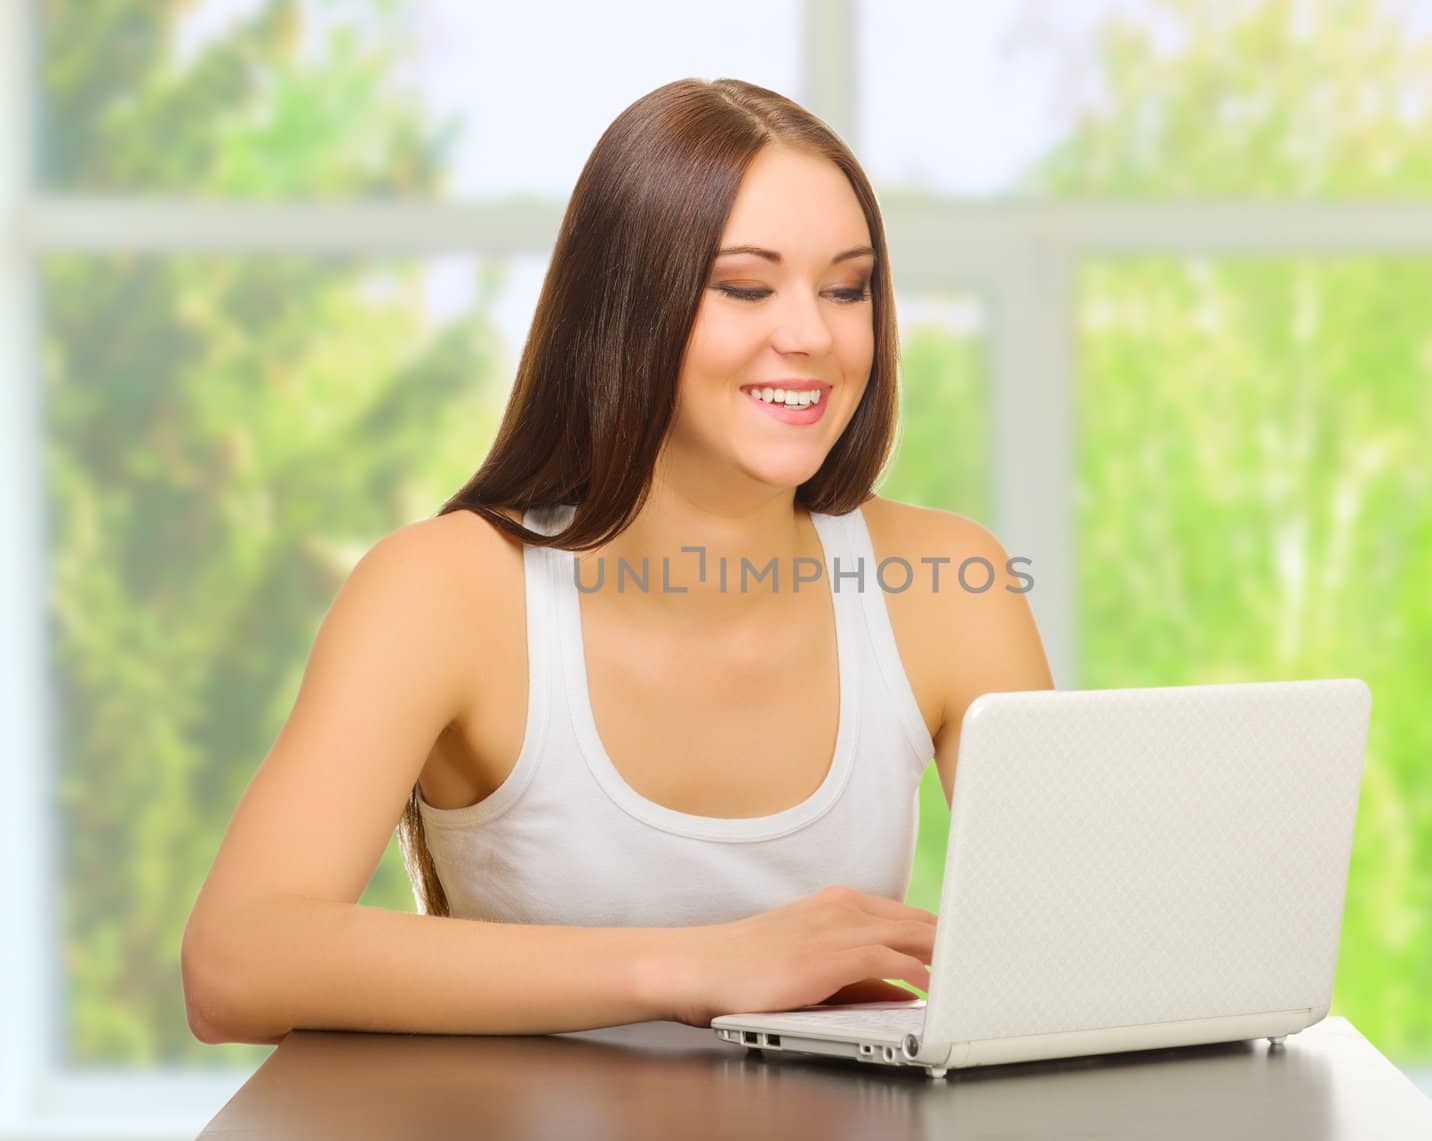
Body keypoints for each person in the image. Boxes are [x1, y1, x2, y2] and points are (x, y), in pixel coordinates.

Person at [181, 77, 1054, 1046]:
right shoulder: (443, 592)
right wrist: (699, 965)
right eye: (744, 287)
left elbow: (1071, 954)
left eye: (847, 288)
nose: (812, 336)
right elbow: (238, 961)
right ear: (626, 308)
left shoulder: (945, 586)